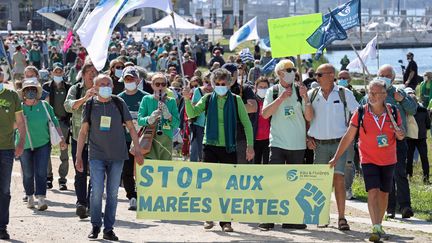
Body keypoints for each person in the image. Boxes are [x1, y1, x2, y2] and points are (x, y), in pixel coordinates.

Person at [329, 79, 405, 243]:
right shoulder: (361, 112)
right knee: (373, 191)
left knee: (384, 194)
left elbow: (401, 132)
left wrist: (400, 134)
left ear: (384, 95)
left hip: (388, 159)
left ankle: (379, 224)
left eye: (376, 93)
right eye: (370, 92)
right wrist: (336, 157)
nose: (372, 96)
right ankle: (375, 226)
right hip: (368, 158)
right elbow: (349, 136)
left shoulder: (393, 111)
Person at [183, 68, 254, 232]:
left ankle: (226, 221)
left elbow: (247, 124)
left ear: (229, 84)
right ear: (213, 84)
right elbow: (192, 113)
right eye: (218, 83)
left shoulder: (236, 100)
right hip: (210, 146)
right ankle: (208, 217)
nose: (221, 86)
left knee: (227, 186)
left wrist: (250, 146)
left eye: (224, 83)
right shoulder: (207, 99)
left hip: (229, 147)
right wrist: (187, 100)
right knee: (210, 184)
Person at [76, 74, 143, 241]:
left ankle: (109, 229)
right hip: (96, 155)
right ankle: (95, 225)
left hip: (117, 155)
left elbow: (131, 128)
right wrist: (78, 156)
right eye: (102, 84)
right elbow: (83, 132)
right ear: (95, 87)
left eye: (108, 83)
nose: (105, 86)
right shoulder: (90, 105)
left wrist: (139, 150)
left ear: (112, 87)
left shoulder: (119, 103)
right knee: (96, 191)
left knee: (113, 193)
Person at [259, 60, 313, 230]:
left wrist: (306, 98)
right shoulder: (272, 91)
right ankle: (269, 218)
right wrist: (281, 98)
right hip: (277, 142)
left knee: (294, 184)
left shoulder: (301, 90)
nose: (292, 72)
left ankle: (292, 218)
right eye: (289, 70)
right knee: (274, 181)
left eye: (293, 69)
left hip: (297, 144)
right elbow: (265, 114)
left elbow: (309, 117)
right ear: (280, 73)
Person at [360, 64, 417, 219]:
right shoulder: (370, 95)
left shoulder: (400, 93)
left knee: (400, 173)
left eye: (387, 76)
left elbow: (413, 109)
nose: (383, 78)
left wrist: (403, 99)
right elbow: (361, 114)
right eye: (381, 75)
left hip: (398, 141)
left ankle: (405, 206)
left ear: (392, 78)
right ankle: (390, 208)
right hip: (378, 144)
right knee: (387, 176)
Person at [307, 64, 359, 230]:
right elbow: (306, 118)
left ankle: (342, 218)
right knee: (321, 182)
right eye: (317, 74)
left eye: (319, 74)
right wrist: (307, 137)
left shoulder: (345, 94)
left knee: (339, 180)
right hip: (319, 145)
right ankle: (322, 216)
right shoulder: (311, 94)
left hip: (340, 144)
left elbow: (358, 114)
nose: (317, 77)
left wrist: (351, 135)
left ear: (330, 75)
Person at [19, 79, 67, 211]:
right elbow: (12, 126)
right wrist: (20, 121)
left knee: (41, 172)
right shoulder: (19, 108)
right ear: (23, 93)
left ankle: (41, 198)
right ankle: (29, 195)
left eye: (33, 90)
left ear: (37, 92)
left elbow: (54, 122)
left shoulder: (45, 106)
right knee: (28, 173)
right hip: (25, 145)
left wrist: (61, 138)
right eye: (28, 90)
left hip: (43, 144)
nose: (30, 92)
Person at [64, 61, 98, 219]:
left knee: (96, 173)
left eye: (95, 72)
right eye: (89, 71)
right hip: (78, 137)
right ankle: (81, 204)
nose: (92, 74)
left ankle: (93, 205)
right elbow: (68, 106)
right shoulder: (75, 89)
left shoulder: (102, 90)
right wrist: (85, 97)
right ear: (83, 74)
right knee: (80, 172)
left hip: (97, 139)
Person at [118, 67, 149, 210]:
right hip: (125, 139)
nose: (129, 81)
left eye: (132, 78)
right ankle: (132, 196)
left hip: (143, 138)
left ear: (138, 80)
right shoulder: (118, 98)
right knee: (127, 170)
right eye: (127, 79)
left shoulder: (145, 97)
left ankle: (145, 195)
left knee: (144, 168)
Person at [0, 71, 26, 240]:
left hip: (6, 149)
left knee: (4, 189)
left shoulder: (12, 96)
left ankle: (2, 226)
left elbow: (21, 121)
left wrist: (21, 142)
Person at [137, 73, 180, 160]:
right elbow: (140, 120)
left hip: (166, 138)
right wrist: (150, 118)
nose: (160, 87)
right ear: (152, 85)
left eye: (163, 84)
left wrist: (169, 116)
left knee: (164, 167)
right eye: (157, 84)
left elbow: (177, 124)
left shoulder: (171, 101)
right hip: (149, 137)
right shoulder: (146, 99)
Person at [42, 63, 71, 190]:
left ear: (63, 73)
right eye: (56, 71)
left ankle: (62, 180)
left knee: (64, 152)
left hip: (63, 122)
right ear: (52, 73)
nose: (58, 74)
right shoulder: (46, 87)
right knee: (46, 151)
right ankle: (48, 177)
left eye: (60, 71)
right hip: (49, 123)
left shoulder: (69, 87)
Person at [337, 70, 363, 200]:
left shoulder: (356, 94)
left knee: (349, 162)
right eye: (340, 77)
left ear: (350, 80)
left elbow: (360, 111)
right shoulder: (333, 92)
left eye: (345, 78)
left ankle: (347, 187)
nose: (342, 79)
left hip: (351, 134)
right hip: (334, 134)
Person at [225, 63, 257, 164]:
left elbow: (253, 107)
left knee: (242, 169)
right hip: (223, 138)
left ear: (236, 74)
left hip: (241, 138)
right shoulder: (218, 91)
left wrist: (233, 107)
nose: (229, 77)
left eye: (231, 74)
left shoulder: (245, 88)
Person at [404, 88, 430, 185]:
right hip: (421, 137)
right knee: (424, 158)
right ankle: (426, 178)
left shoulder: (405, 110)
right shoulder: (423, 110)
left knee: (409, 158)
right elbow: (428, 124)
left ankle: (409, 177)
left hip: (409, 138)